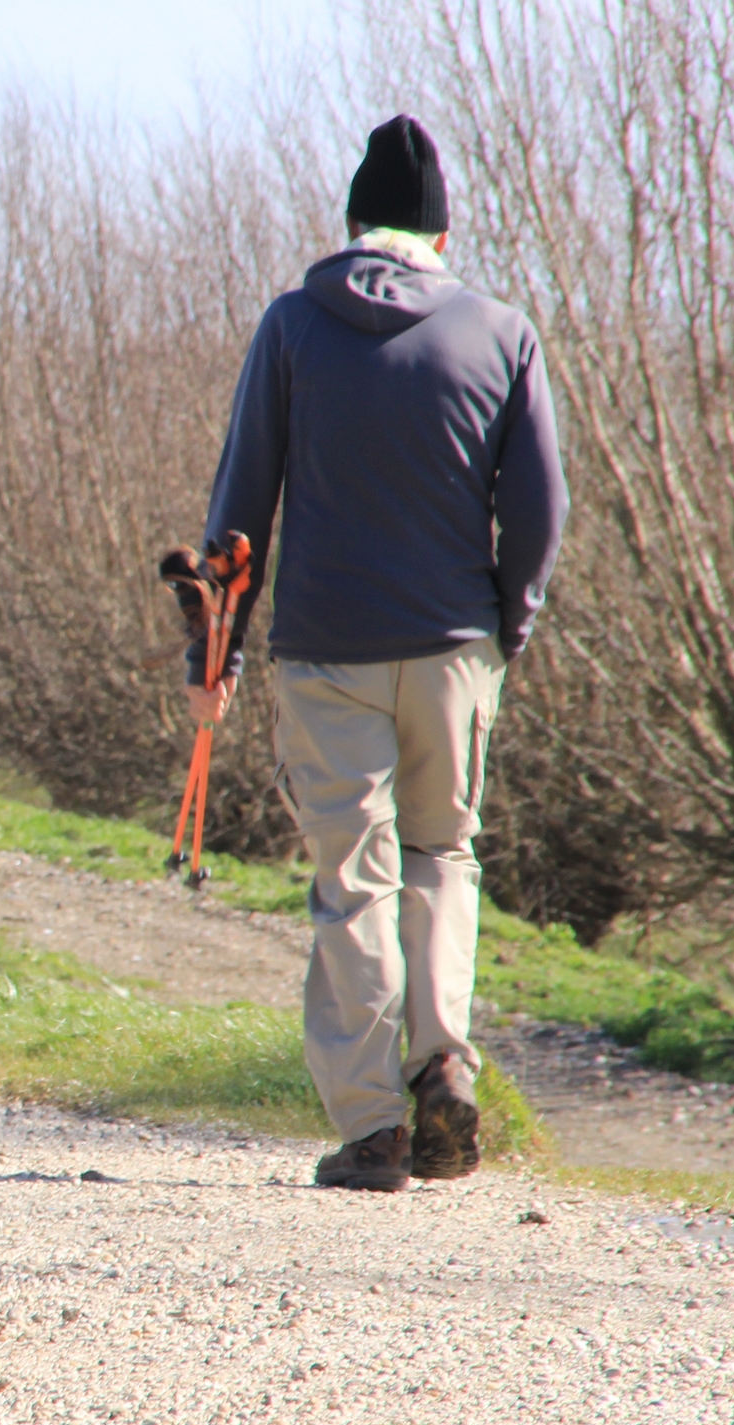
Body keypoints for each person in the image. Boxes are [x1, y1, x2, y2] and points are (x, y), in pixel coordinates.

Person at [200, 115, 567, 1191]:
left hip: (322, 649)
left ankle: (370, 1127)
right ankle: (441, 1057)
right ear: (439, 236)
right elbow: (540, 505)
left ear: (352, 223)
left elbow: (239, 507)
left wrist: (219, 644)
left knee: (350, 877)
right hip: (454, 645)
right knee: (440, 853)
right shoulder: (500, 333)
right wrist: (510, 620)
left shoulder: (289, 327)